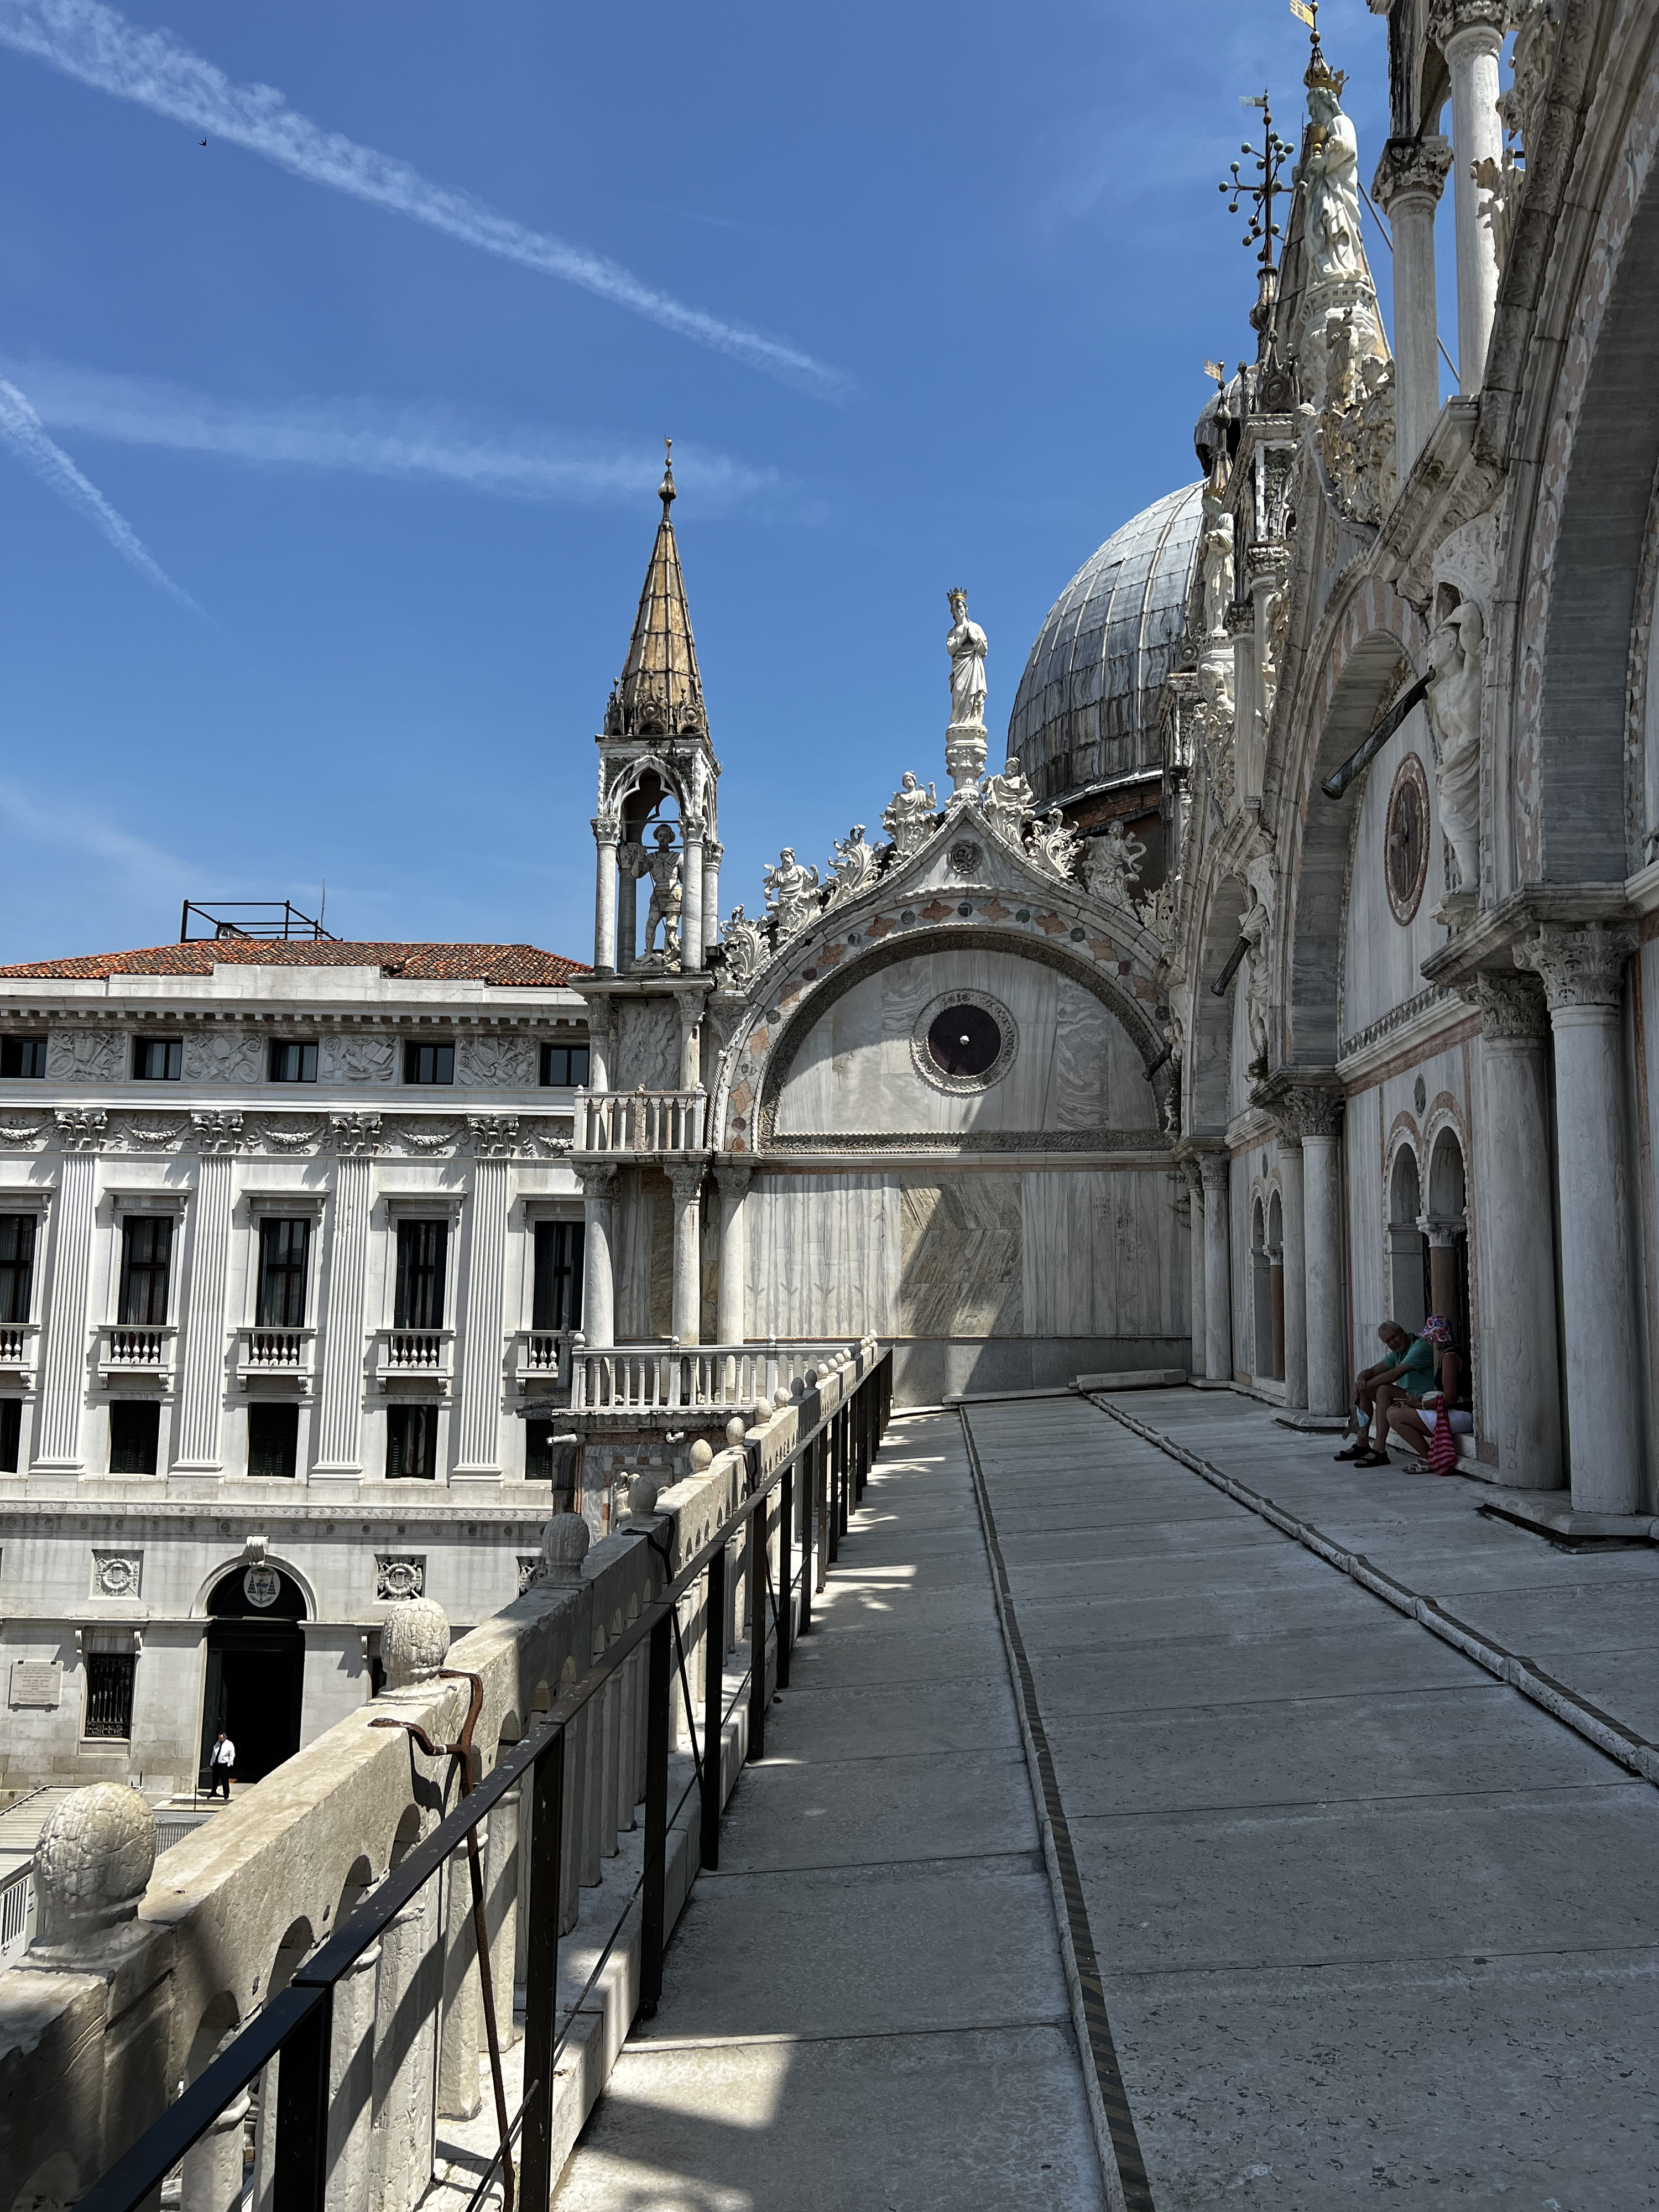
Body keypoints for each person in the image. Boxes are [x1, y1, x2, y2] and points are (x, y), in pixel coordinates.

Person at [1380, 1315, 1473, 1472]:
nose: (1427, 1341)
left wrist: (1421, 1405)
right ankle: (1428, 1456)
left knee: (1395, 1416)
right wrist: (1415, 1402)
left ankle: (1428, 1458)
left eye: (1429, 1337)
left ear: (1434, 1338)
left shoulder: (1450, 1357)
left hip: (1462, 1414)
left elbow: (1449, 1397)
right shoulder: (1446, 1355)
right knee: (1395, 1411)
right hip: (1454, 1412)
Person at [1334, 1322, 1433, 1463]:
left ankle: (1379, 1449)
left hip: (1425, 1399)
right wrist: (1361, 1379)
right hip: (1408, 1397)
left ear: (1402, 1331)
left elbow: (1394, 1375)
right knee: (1367, 1388)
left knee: (1384, 1389)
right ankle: (1362, 1444)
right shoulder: (1397, 1354)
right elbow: (1372, 1371)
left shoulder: (1420, 1347)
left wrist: (1359, 1387)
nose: (1393, 1343)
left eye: (1394, 1337)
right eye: (1388, 1342)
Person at [208, 1728, 236, 1799]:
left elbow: (232, 1754)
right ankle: (213, 1792)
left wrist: (229, 1763)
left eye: (221, 1738)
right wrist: (212, 1763)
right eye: (219, 1738)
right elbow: (214, 1754)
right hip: (216, 1764)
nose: (220, 1740)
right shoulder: (217, 1744)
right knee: (215, 1780)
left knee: (224, 1780)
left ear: (225, 1738)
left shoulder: (229, 1744)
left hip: (224, 1765)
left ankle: (226, 1794)